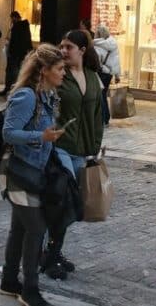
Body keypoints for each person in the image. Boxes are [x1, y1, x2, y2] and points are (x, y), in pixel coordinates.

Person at [0, 44, 68, 306]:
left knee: (20, 228)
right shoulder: (27, 96)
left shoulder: (47, 96)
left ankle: (8, 281)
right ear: (45, 70)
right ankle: (30, 289)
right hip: (18, 171)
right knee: (36, 228)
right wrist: (41, 136)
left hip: (33, 172)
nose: (63, 73)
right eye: (59, 68)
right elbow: (9, 133)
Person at [43, 30, 104, 280]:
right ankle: (49, 255)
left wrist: (95, 145)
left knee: (68, 206)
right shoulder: (59, 75)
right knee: (63, 202)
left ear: (82, 50)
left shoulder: (92, 77)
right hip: (60, 146)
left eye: (69, 47)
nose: (64, 51)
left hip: (83, 150)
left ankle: (53, 251)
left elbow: (98, 114)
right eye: (62, 46)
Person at [93, 25, 120, 127]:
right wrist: (117, 75)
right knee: (103, 95)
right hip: (109, 74)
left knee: (100, 95)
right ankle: (106, 118)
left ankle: (103, 118)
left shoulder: (97, 45)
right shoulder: (113, 44)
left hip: (101, 72)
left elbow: (96, 61)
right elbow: (117, 62)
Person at [3, 11, 33, 98]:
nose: (11, 20)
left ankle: (12, 89)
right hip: (17, 52)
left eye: (11, 18)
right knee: (12, 71)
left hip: (15, 53)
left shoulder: (18, 26)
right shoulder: (20, 26)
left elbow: (15, 40)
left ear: (14, 17)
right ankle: (9, 88)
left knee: (13, 71)